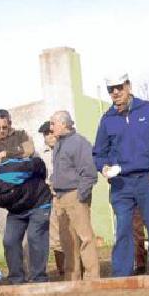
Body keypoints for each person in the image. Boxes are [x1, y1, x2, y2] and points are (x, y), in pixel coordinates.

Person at [93, 72, 149, 277]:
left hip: (148, 179)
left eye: (119, 87)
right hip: (121, 183)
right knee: (124, 228)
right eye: (111, 89)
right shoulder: (107, 119)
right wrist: (103, 168)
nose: (115, 92)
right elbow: (99, 153)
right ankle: (122, 274)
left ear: (128, 85)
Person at [0, 154, 52, 284]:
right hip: (17, 211)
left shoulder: (9, 171)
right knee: (9, 240)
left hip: (39, 202)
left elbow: (38, 163)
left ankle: (39, 278)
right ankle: (16, 279)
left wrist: (39, 183)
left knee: (34, 236)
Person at [49, 110, 100, 281]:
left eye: (53, 123)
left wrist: (81, 195)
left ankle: (92, 277)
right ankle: (72, 277)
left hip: (75, 195)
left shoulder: (79, 143)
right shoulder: (58, 144)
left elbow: (90, 172)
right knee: (67, 241)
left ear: (64, 124)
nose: (51, 127)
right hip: (61, 197)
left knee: (85, 238)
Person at [37, 120, 65, 278]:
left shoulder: (66, 148)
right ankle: (63, 270)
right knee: (56, 236)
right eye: (45, 134)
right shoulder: (41, 155)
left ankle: (79, 268)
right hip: (51, 197)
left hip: (69, 195)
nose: (49, 136)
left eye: (50, 132)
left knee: (74, 232)